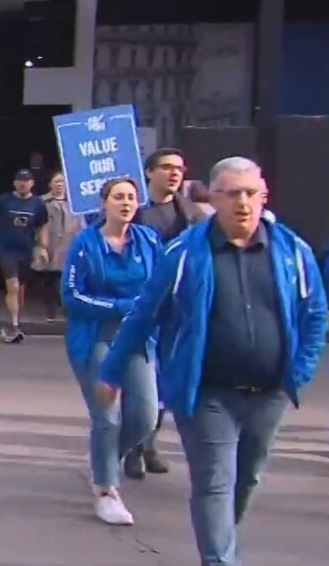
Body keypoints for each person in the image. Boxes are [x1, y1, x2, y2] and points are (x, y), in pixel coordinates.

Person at [97, 156, 328, 566]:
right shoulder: (185, 251)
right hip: (206, 392)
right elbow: (146, 312)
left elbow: (314, 316)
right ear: (214, 199)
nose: (243, 203)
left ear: (263, 196)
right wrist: (113, 369)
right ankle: (218, 559)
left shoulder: (292, 250)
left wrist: (298, 371)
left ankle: (221, 544)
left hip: (269, 392)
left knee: (246, 478)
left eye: (251, 193)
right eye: (233, 193)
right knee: (215, 482)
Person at [61, 177, 161, 525]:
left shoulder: (148, 241)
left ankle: (103, 462)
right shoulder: (85, 244)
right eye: (118, 197)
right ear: (104, 203)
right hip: (95, 336)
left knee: (146, 417)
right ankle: (106, 489)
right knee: (108, 415)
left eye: (132, 197)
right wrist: (121, 306)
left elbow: (161, 284)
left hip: (137, 338)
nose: (126, 202)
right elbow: (71, 295)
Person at [124, 147, 206, 480]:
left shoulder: (193, 214)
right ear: (149, 173)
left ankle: (151, 444)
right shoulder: (134, 211)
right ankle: (132, 448)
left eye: (179, 169)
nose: (174, 174)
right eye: (167, 167)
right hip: (140, 307)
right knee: (138, 384)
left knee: (164, 382)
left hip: (177, 311)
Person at [0, 168, 48, 343]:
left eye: (26, 181)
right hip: (5, 249)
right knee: (13, 286)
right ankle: (14, 324)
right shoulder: (3, 201)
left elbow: (41, 226)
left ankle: (16, 319)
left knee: (21, 289)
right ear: (15, 183)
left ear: (32, 184)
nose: (23, 183)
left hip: (25, 249)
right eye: (20, 180)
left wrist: (41, 247)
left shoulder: (37, 204)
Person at [32, 172, 82, 323]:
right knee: (50, 278)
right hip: (49, 244)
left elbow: (80, 224)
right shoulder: (42, 202)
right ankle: (51, 311)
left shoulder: (74, 202)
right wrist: (40, 244)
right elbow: (36, 224)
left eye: (62, 182)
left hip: (69, 243)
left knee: (68, 279)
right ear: (50, 184)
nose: (60, 185)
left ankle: (66, 310)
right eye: (56, 182)